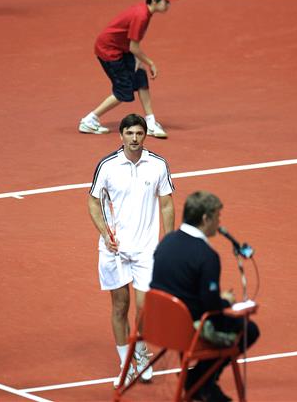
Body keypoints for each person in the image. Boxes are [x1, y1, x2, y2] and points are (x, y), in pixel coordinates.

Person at [87, 113, 175, 387]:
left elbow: (167, 204)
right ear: (121, 135)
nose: (134, 138)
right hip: (114, 250)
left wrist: (169, 243)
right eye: (130, 133)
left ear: (144, 135)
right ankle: (126, 365)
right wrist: (106, 234)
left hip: (147, 250)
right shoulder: (107, 166)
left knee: (143, 306)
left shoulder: (158, 165)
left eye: (139, 133)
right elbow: (93, 203)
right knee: (119, 306)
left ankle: (139, 350)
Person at [151, 191, 260, 402]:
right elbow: (211, 306)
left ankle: (201, 382)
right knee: (249, 330)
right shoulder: (207, 256)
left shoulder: (166, 241)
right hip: (185, 331)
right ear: (205, 218)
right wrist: (226, 301)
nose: (219, 223)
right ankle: (202, 382)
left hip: (156, 325)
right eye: (217, 216)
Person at [78, 0, 179, 138]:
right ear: (154, 1)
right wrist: (150, 63)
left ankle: (150, 123)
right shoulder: (141, 16)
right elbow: (134, 47)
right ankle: (89, 120)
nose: (168, 4)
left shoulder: (145, 12)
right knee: (123, 91)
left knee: (140, 76)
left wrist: (137, 59)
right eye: (166, 1)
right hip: (109, 51)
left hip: (121, 48)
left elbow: (131, 42)